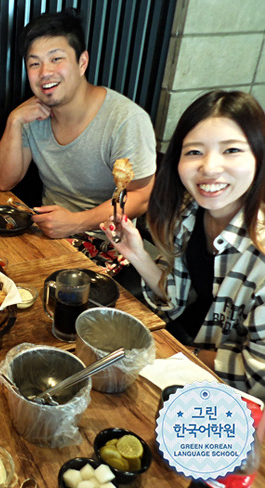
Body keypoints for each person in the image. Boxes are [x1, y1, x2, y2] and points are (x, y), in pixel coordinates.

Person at [100, 90, 265, 401]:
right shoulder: (190, 211)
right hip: (186, 349)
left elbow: (257, 377)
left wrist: (181, 356)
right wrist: (135, 252)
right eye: (194, 152)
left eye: (231, 150)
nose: (210, 168)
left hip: (227, 398)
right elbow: (176, 297)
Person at [0, 9, 156, 275]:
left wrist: (76, 222)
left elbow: (142, 196)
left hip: (107, 244)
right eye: (34, 63)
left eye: (56, 59)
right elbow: (5, 181)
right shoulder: (32, 115)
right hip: (45, 235)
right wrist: (14, 121)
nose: (45, 72)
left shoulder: (125, 120)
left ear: (82, 62)